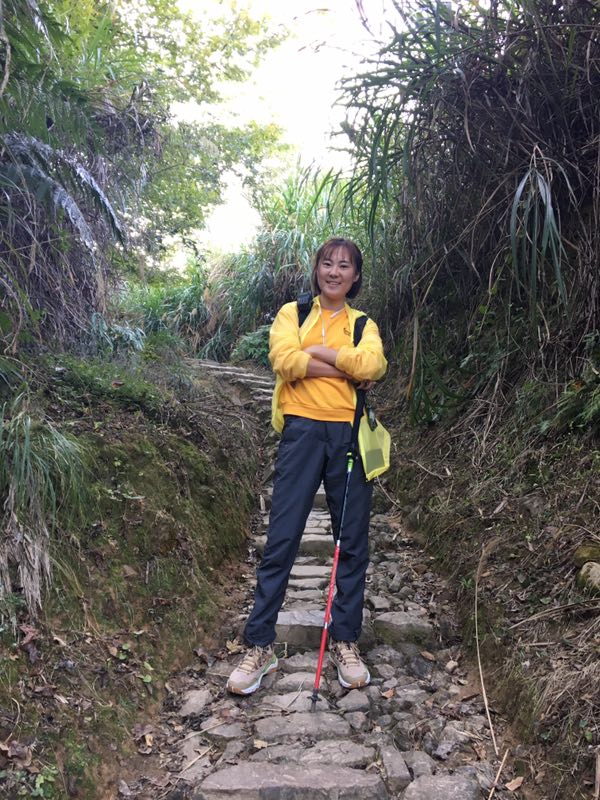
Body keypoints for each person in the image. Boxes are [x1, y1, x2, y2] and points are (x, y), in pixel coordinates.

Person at [227, 237, 387, 696]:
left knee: (351, 542)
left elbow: (373, 366)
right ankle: (259, 645)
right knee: (281, 538)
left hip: (349, 435)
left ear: (355, 277)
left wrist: (319, 355)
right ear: (317, 269)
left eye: (344, 266)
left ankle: (344, 640)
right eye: (327, 263)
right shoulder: (292, 315)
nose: (334, 272)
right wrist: (345, 370)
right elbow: (283, 360)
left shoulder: (363, 324)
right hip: (300, 432)